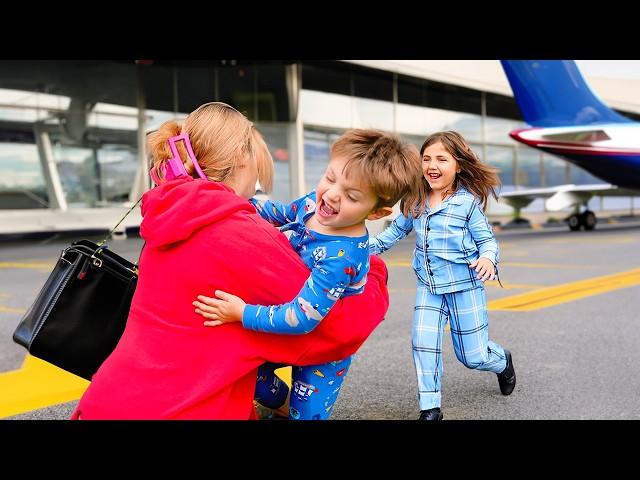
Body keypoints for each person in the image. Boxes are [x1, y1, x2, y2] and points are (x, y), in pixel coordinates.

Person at [70, 102, 391, 420]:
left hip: (106, 402)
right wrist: (374, 271)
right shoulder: (240, 236)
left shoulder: (173, 214)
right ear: (242, 158)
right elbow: (334, 330)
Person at [193, 129, 423, 420]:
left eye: (351, 196)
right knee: (247, 377)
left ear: (377, 213)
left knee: (307, 414)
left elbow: (301, 318)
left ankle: (295, 410)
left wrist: (242, 313)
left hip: (323, 342)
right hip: (285, 314)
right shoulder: (314, 205)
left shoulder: (341, 258)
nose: (332, 194)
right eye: (329, 177)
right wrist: (226, 192)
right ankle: (281, 404)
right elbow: (274, 212)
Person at [368, 130, 516, 421]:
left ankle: (502, 361)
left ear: (458, 165)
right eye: (426, 159)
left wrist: (487, 258)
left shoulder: (467, 204)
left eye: (441, 159)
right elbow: (394, 232)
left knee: (473, 357)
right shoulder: (415, 200)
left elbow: (487, 241)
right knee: (422, 342)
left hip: (465, 288)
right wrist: (360, 248)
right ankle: (430, 408)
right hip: (429, 288)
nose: (432, 165)